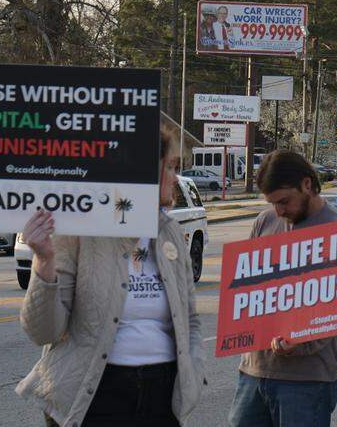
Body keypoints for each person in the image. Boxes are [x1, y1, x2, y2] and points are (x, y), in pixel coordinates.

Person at [16, 124, 204, 426]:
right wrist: (44, 260)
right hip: (97, 395)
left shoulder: (169, 233)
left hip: (161, 395)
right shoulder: (81, 231)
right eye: (169, 167)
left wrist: (192, 372)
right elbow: (43, 332)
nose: (175, 177)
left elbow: (190, 319)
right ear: (143, 173)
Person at [229, 150, 337, 427]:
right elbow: (247, 291)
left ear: (307, 184)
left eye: (284, 201)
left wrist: (302, 341)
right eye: (273, 203)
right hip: (254, 372)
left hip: (307, 380)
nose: (279, 211)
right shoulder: (265, 221)